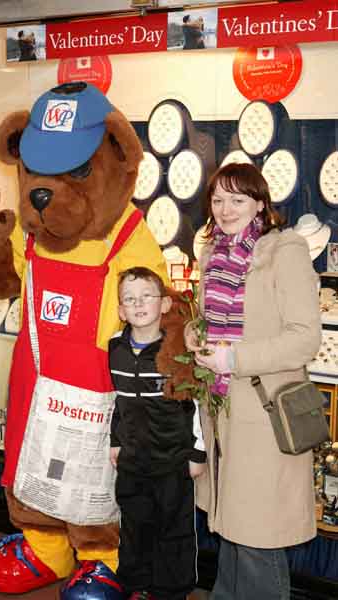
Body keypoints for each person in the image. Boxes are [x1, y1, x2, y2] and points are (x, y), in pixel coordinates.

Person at [185, 163, 321, 600]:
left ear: (260, 203)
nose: (225, 210)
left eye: (237, 200)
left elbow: (305, 338)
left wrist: (234, 357)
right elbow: (210, 321)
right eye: (218, 200)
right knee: (231, 528)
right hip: (222, 410)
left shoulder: (285, 250)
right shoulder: (211, 252)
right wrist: (195, 334)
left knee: (258, 534)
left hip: (264, 414)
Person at [109, 267, 206, 600]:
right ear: (121, 309)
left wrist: (197, 453)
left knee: (173, 532)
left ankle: (171, 592)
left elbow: (197, 404)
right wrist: (116, 441)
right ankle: (135, 587)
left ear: (164, 303)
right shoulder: (115, 349)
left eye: (146, 297)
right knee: (134, 528)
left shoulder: (178, 353)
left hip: (173, 461)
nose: (138, 305)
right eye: (129, 299)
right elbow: (116, 402)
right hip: (133, 462)